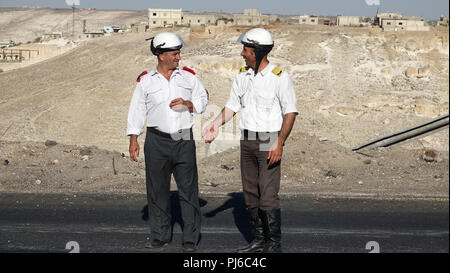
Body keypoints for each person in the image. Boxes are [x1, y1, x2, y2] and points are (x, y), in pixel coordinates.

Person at [203, 28, 298, 253]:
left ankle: (273, 245)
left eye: (245, 49)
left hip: (268, 139)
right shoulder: (242, 75)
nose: (242, 53)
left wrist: (279, 143)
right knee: (250, 194)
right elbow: (232, 106)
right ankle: (258, 241)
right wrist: (216, 123)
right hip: (247, 140)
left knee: (267, 194)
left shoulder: (279, 77)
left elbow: (290, 112)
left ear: (257, 51)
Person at [127, 32, 208, 252]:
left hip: (183, 139)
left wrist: (189, 104)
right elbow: (137, 110)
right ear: (161, 55)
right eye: (174, 53)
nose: (178, 57)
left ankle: (190, 238)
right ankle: (160, 235)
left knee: (188, 190)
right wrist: (134, 138)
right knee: (157, 190)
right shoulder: (145, 81)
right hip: (156, 140)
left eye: (179, 52)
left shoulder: (188, 76)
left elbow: (203, 98)